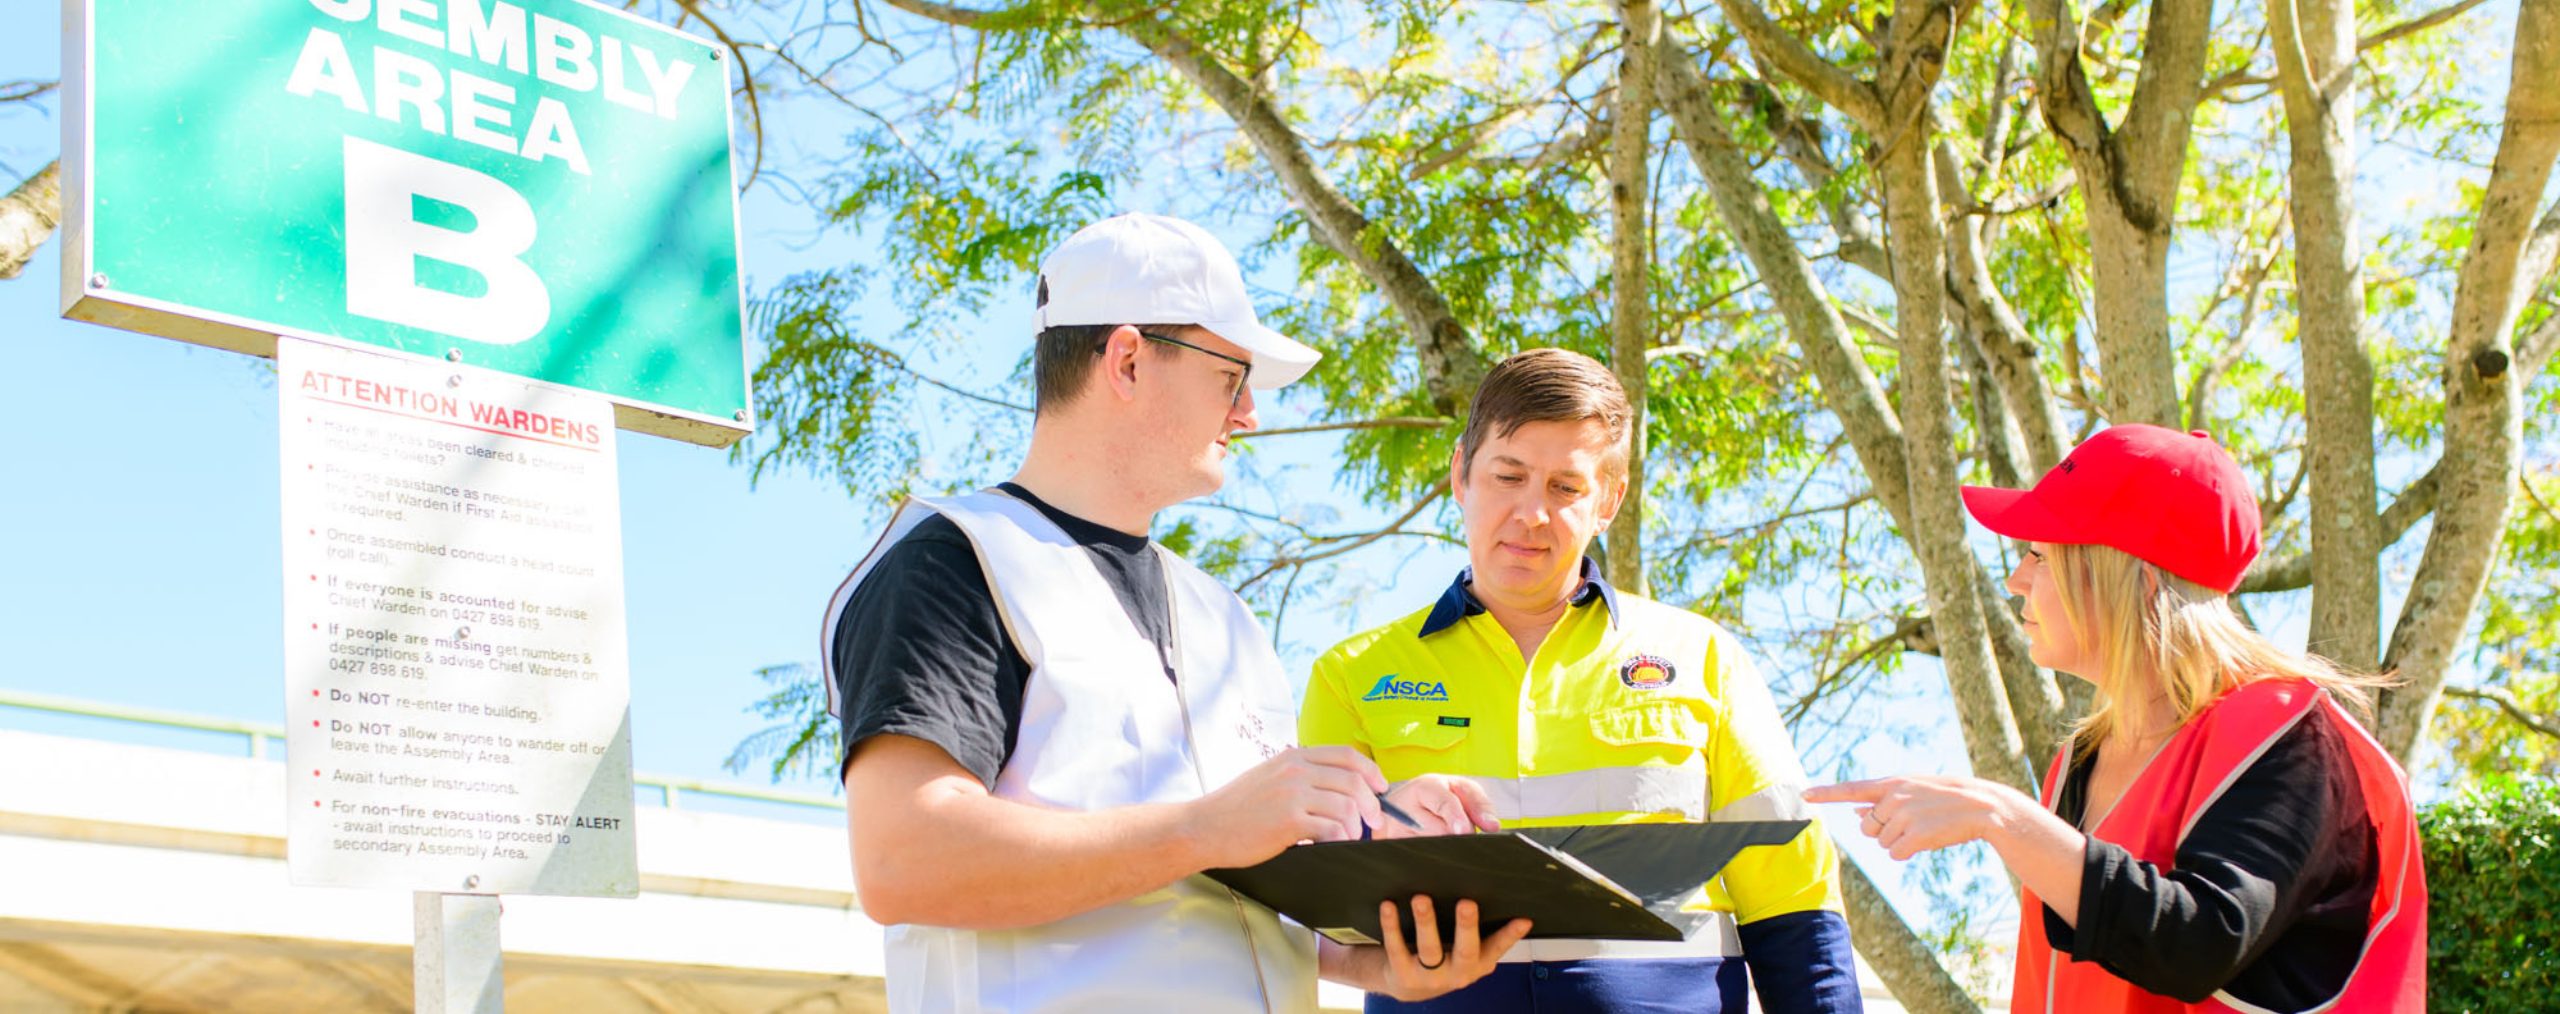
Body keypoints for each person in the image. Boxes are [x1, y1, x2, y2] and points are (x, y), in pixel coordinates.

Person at [823, 213, 1530, 1013]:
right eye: (1232, 375)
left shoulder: (1223, 618)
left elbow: (1214, 891)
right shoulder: (956, 562)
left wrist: (1372, 945)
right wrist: (1207, 827)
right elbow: (903, 861)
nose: (1250, 414)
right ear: (1127, 359)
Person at [1299, 349, 1862, 1013]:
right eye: (1508, 476)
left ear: (1610, 499)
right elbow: (1312, 907)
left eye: (1565, 488)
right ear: (1461, 473)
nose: (1532, 514)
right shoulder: (1350, 676)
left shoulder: (1706, 657)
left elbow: (1793, 896)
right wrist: (1385, 827)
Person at [1808, 423, 2426, 1013]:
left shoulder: (2288, 731)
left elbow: (2202, 940)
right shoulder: (2077, 762)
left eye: (2040, 556)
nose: (2017, 580)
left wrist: (2000, 816)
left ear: (2139, 583)